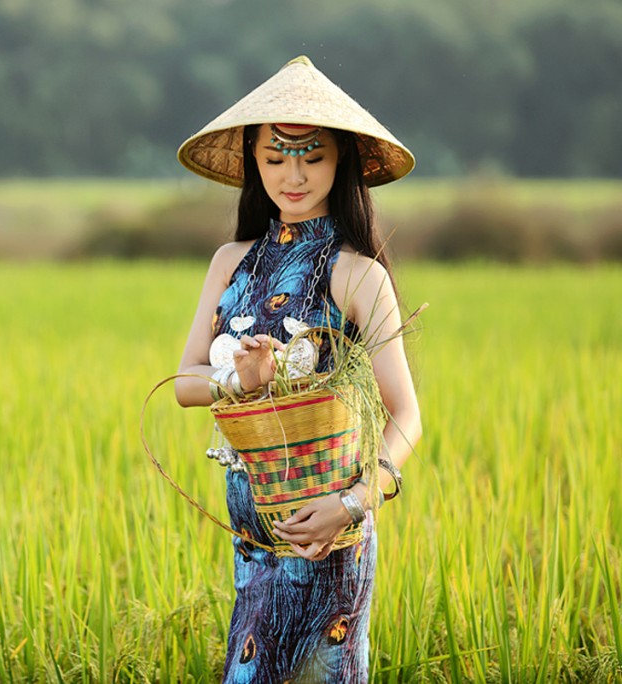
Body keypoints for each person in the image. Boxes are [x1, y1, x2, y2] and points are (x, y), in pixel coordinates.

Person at [173, 56, 423, 682]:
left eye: (312, 155)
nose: (293, 174)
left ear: (341, 160)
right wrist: (242, 380)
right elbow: (183, 384)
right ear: (253, 161)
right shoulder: (229, 263)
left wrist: (355, 502)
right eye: (275, 156)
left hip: (331, 535)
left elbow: (408, 415)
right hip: (253, 534)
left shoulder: (357, 271)